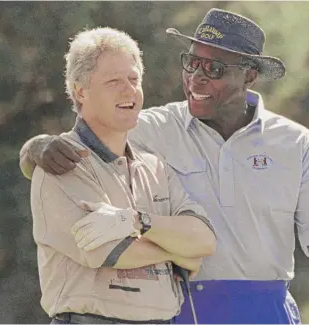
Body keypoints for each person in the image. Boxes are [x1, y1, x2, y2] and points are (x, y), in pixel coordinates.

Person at [21, 8, 309, 325]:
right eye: (191, 63)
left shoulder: (295, 142)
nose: (196, 76)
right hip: (185, 309)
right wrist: (35, 147)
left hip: (268, 310)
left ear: (249, 75)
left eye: (213, 68)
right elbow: (91, 128)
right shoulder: (153, 126)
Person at [29, 27, 217, 324]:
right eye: (113, 81)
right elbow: (111, 251)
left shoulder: (156, 168)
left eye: (134, 79)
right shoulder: (62, 162)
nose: (128, 90)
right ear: (80, 91)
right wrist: (179, 254)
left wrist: (136, 222)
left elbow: (204, 241)